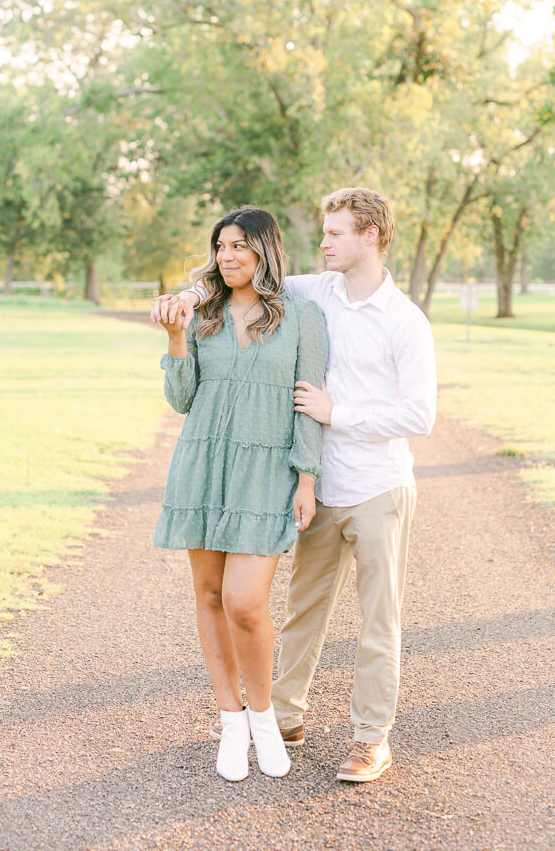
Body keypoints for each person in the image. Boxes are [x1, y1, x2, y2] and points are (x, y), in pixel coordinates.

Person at [154, 187, 436, 783]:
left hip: (377, 484)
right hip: (307, 482)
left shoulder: (404, 321)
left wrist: (338, 415)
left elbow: (420, 415)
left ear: (372, 237)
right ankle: (277, 717)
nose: (325, 242)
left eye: (336, 234)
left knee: (374, 620)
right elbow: (237, 278)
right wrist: (186, 299)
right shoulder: (316, 290)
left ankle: (369, 739)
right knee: (302, 613)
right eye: (325, 233)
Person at [151, 206, 329, 783]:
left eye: (239, 246)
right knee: (208, 597)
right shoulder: (201, 312)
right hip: (203, 465)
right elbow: (181, 399)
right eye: (220, 246)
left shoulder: (302, 316)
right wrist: (176, 336)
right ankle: (230, 721)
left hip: (265, 473)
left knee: (246, 604)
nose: (227, 256)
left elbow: (309, 400)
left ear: (265, 251)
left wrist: (306, 478)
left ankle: (264, 718)